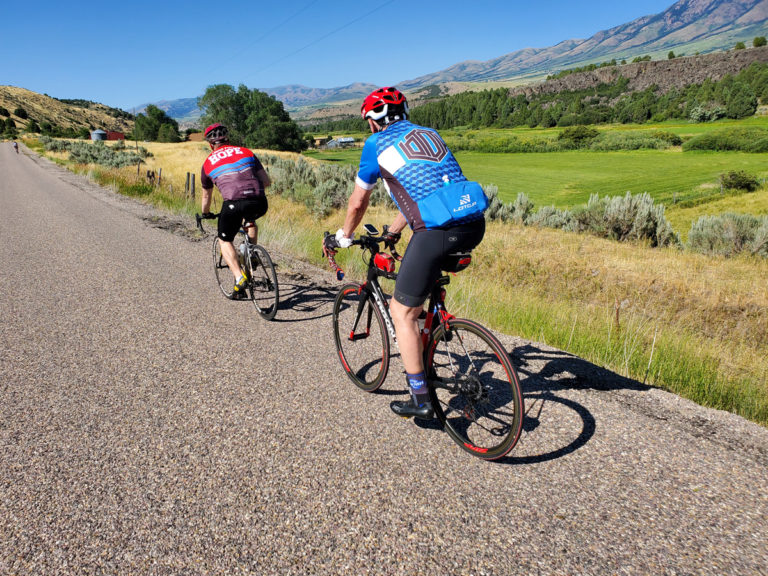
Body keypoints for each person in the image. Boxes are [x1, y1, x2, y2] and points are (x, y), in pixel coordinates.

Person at [323, 87, 487, 419]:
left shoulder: (376, 145)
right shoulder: (429, 133)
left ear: (372, 121)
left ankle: (422, 399)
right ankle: (428, 341)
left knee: (402, 313)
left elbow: (357, 202)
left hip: (437, 233)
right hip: (473, 223)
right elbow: (424, 188)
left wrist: (344, 236)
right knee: (419, 296)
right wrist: (395, 230)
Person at [200, 123, 271, 298]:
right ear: (228, 139)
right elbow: (267, 181)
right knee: (250, 220)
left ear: (211, 145)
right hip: (259, 201)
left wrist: (205, 213)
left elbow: (206, 197)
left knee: (224, 239)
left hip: (233, 203)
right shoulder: (246, 152)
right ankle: (251, 253)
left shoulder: (208, 162)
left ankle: (239, 278)